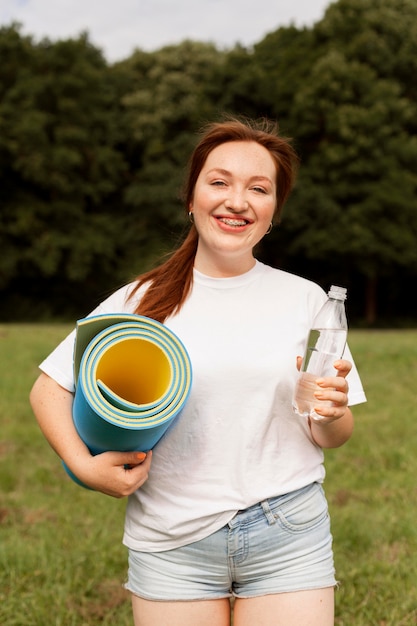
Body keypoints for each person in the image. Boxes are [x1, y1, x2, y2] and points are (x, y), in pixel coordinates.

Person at [30, 116, 366, 626]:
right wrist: (83, 467)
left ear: (273, 210)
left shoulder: (307, 300)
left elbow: (332, 433)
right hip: (170, 541)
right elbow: (48, 388)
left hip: (288, 533)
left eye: (259, 188)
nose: (238, 201)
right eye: (219, 182)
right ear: (191, 197)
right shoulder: (140, 300)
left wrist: (332, 411)